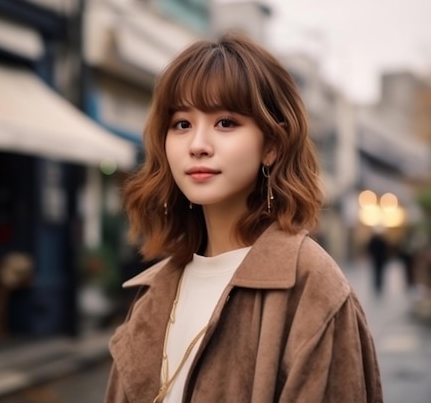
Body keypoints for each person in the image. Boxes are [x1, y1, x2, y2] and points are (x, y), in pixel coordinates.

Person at [104, 33, 383, 403]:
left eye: (225, 123)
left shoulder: (312, 287)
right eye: (182, 124)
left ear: (271, 145)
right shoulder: (155, 293)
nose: (197, 145)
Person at [367, 227, 390, 296]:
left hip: (379, 259)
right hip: (378, 259)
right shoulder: (376, 240)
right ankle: (378, 285)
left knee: (379, 273)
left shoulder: (379, 241)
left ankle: (378, 285)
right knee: (377, 273)